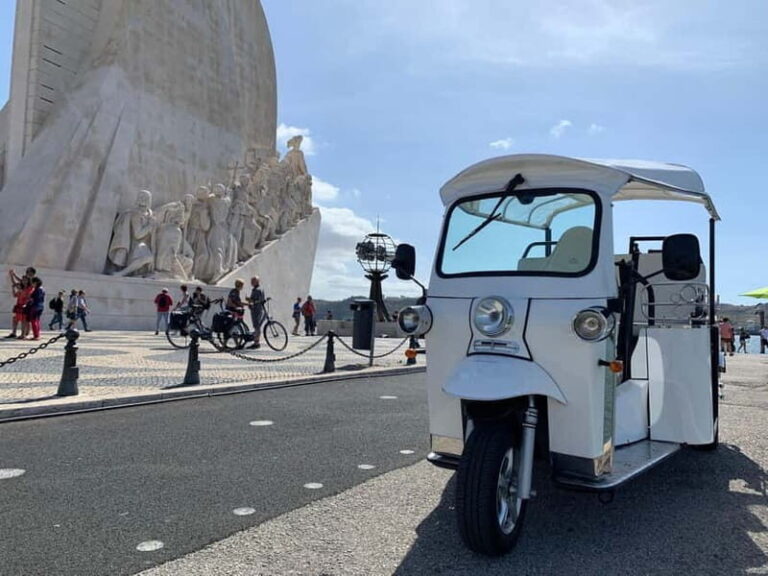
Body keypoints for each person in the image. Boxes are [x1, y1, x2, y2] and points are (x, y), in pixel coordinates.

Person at [246, 276, 266, 349]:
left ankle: (256, 342)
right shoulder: (256, 289)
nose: (251, 283)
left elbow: (257, 301)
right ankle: (256, 341)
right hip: (256, 310)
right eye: (251, 281)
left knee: (257, 326)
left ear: (257, 282)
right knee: (256, 326)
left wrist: (249, 300)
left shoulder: (257, 290)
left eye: (253, 281)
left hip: (257, 310)